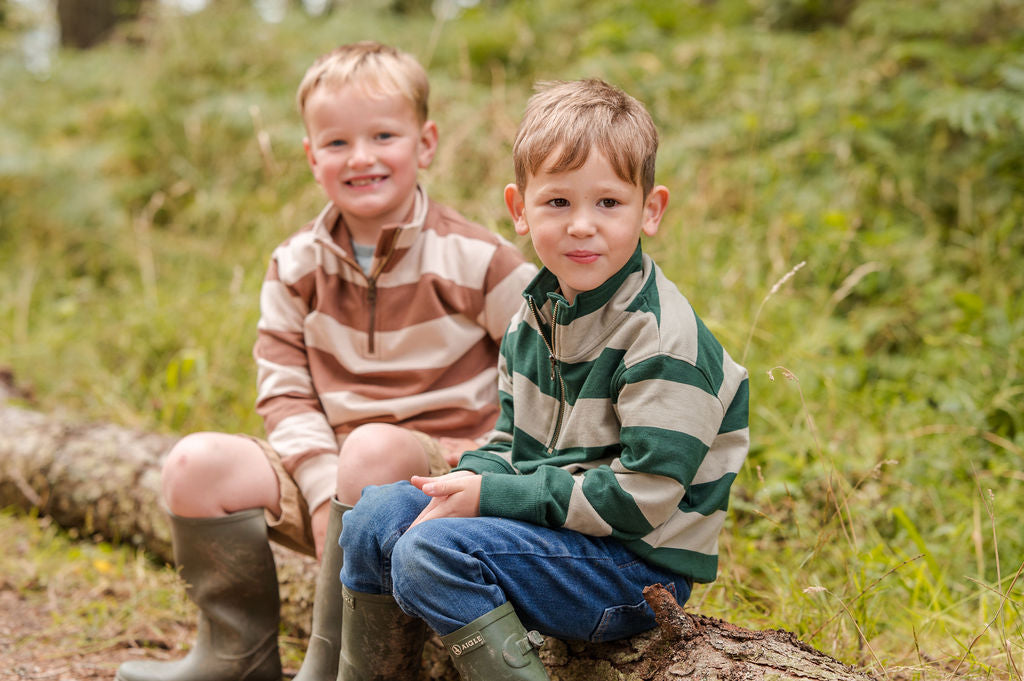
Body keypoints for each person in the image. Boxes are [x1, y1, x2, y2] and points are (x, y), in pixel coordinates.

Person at [115, 42, 536, 681]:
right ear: (312, 157)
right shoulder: (295, 265)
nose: (361, 157)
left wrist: (493, 459)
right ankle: (235, 655)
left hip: (441, 480)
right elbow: (285, 392)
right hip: (332, 478)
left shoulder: (477, 259)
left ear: (425, 144)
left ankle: (341, 662)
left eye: (383, 135)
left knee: (371, 450)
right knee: (195, 463)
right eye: (337, 143)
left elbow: (543, 370)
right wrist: (318, 492)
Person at [334, 78, 751, 681]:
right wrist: (471, 481)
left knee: (428, 553)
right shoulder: (537, 316)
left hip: (632, 570)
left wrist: (491, 499)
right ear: (520, 210)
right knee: (376, 516)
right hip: (556, 534)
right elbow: (513, 445)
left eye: (608, 203)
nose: (582, 226)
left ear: (650, 209)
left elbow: (642, 500)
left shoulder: (662, 342)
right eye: (558, 202)